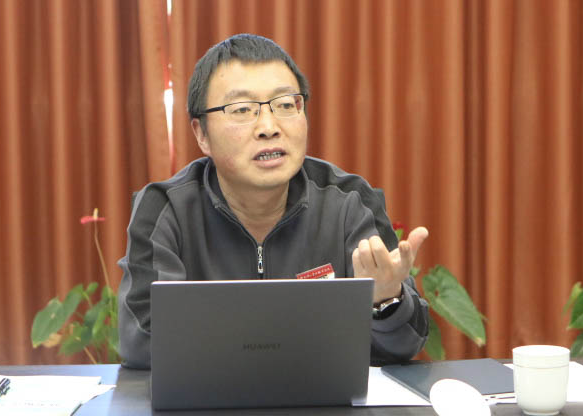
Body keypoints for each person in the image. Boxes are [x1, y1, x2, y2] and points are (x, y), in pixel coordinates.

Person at [117, 33, 430, 369]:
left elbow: (406, 342)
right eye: (242, 109)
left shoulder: (349, 201)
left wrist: (386, 301)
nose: (269, 127)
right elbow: (143, 338)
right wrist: (293, 336)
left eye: (285, 105)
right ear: (201, 134)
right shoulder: (165, 210)